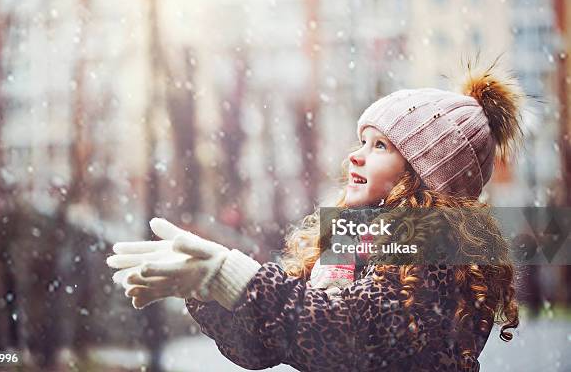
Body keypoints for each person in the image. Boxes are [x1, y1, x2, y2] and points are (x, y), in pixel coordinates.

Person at [106, 57, 523, 371]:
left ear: (424, 171)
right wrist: (208, 290)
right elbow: (270, 343)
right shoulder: (353, 237)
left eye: (380, 146)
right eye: (362, 141)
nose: (356, 157)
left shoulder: (440, 238)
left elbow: (354, 331)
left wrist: (235, 275)